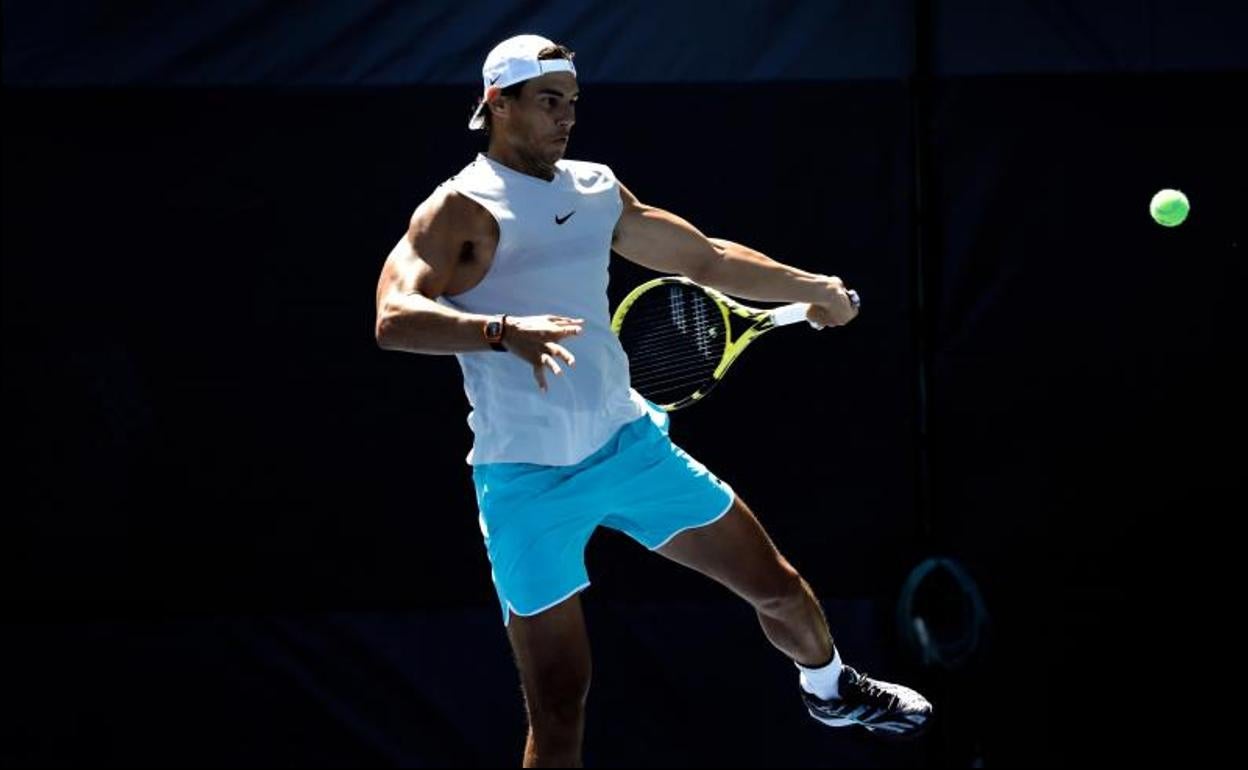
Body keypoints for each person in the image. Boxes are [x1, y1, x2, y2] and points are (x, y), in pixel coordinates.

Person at [374, 34, 931, 767]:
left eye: (571, 103)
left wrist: (811, 288)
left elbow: (705, 257)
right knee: (560, 703)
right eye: (548, 102)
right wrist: (500, 331)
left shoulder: (594, 188)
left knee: (782, 590)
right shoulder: (456, 210)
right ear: (495, 105)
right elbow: (392, 319)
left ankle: (830, 690)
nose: (565, 118)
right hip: (524, 483)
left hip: (629, 447)